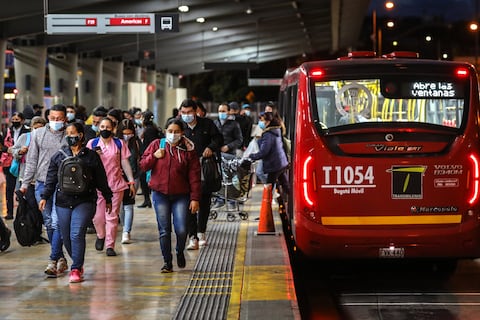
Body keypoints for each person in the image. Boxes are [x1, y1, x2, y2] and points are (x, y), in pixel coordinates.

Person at [39, 123, 113, 283]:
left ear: (80, 135)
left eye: (73, 133)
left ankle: (76, 268)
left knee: (76, 233)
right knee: (66, 236)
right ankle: (77, 261)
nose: (69, 136)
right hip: (63, 201)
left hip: (85, 201)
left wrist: (108, 198)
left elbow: (101, 178)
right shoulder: (59, 156)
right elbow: (51, 178)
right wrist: (45, 196)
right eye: (67, 133)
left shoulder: (91, 156)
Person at [139, 118, 201, 273]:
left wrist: (195, 198)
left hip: (181, 195)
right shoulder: (156, 145)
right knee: (164, 230)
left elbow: (195, 176)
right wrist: (154, 156)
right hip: (160, 194)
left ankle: (179, 251)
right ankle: (167, 262)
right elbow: (143, 165)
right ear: (165, 131)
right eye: (170, 131)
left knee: (181, 229)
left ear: (182, 133)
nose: (173, 135)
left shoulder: (188, 150)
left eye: (176, 132)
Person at [20, 104, 69, 277]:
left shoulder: (69, 134)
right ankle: (61, 257)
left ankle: (53, 260)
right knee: (48, 222)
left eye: (60, 118)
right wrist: (25, 184)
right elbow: (31, 160)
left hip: (64, 185)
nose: (56, 121)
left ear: (65, 119)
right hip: (41, 183)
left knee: (57, 222)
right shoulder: (37, 134)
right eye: (53, 118)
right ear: (48, 117)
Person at [86, 117, 136, 257]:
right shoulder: (92, 143)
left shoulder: (119, 144)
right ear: (98, 128)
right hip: (97, 187)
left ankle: (110, 245)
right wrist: (94, 156)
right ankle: (101, 235)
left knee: (112, 217)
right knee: (97, 217)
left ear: (113, 128)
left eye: (108, 127)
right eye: (102, 127)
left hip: (115, 185)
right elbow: (85, 162)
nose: (105, 130)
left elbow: (125, 164)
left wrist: (131, 181)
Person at [179, 99, 223, 250]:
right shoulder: (178, 126)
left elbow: (218, 139)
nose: (186, 115)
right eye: (183, 113)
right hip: (184, 170)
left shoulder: (207, 124)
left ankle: (201, 231)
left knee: (204, 201)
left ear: (195, 111)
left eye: (189, 112)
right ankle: (193, 237)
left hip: (204, 168)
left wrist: (211, 147)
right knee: (188, 202)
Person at [247, 112, 289, 198]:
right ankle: (294, 198)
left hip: (274, 164)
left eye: (261, 120)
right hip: (280, 162)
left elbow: (264, 152)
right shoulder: (276, 131)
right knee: (285, 185)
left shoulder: (268, 134)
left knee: (269, 186)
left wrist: (252, 156)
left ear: (268, 121)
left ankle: (267, 206)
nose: (260, 122)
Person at [116, 119, 141, 244]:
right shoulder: (115, 143)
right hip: (117, 177)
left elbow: (141, 158)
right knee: (120, 205)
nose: (127, 135)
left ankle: (127, 231)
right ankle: (124, 227)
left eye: (129, 133)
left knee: (129, 204)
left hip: (134, 177)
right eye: (125, 133)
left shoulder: (136, 143)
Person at [1, 112, 30, 219]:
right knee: (9, 188)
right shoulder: (7, 131)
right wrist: (7, 150)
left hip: (23, 162)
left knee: (23, 187)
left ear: (22, 120)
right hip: (9, 162)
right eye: (13, 119)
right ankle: (9, 212)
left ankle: (23, 213)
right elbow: (2, 146)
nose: (15, 121)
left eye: (17, 119)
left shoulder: (27, 132)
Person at [11, 116, 47, 187]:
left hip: (42, 178)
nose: (38, 131)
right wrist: (20, 151)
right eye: (36, 128)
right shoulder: (25, 137)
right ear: (31, 127)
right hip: (26, 176)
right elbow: (13, 150)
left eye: (41, 128)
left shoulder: (47, 139)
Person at [138, 111, 163, 208]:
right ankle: (147, 200)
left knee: (144, 177)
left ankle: (147, 200)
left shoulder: (149, 130)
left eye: (142, 117)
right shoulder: (152, 128)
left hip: (150, 157)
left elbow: (151, 144)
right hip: (150, 156)